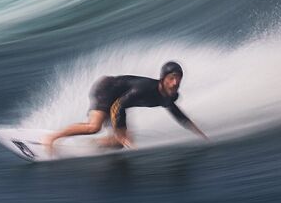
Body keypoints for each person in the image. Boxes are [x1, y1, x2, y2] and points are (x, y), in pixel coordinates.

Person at [44, 61, 207, 152]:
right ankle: (52, 137)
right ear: (163, 79)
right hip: (107, 89)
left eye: (179, 78)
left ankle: (88, 145)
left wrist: (202, 136)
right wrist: (121, 132)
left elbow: (179, 116)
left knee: (118, 144)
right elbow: (118, 106)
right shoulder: (144, 89)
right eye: (172, 78)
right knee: (94, 126)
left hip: (118, 99)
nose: (175, 82)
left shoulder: (169, 97)